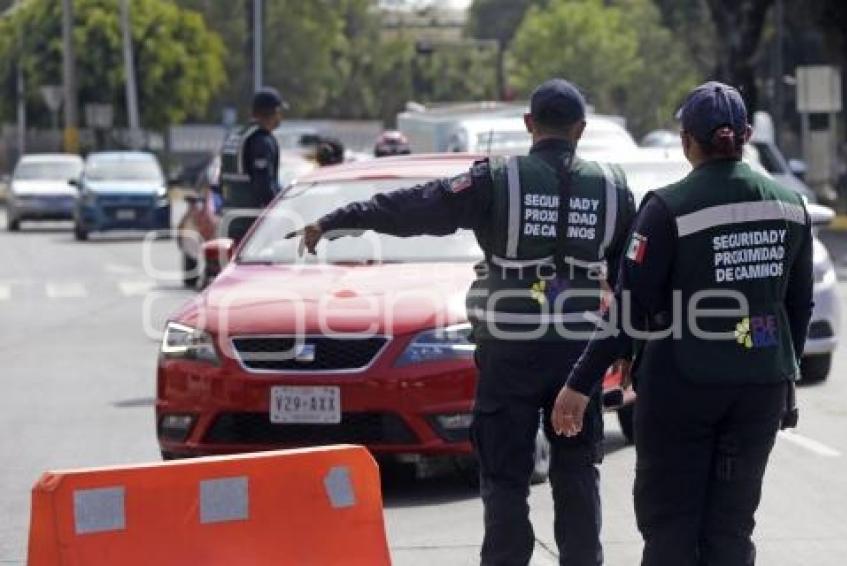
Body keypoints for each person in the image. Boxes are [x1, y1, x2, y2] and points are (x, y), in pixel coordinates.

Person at [288, 78, 636, 566]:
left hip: (510, 351)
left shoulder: (496, 178)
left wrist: (338, 219)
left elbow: (414, 208)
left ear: (528, 125)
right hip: (578, 358)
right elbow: (630, 279)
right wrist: (628, 349)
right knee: (577, 474)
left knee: (505, 480)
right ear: (580, 129)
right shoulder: (614, 188)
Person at [552, 81, 814, 566]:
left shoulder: (668, 208)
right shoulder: (789, 205)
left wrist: (579, 382)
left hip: (682, 385)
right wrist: (785, 372)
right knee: (732, 527)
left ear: (687, 140)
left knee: (671, 523)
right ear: (747, 135)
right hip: (760, 385)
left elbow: (628, 307)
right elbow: (798, 306)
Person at [218, 86, 286, 241]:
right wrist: (280, 210)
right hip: (253, 224)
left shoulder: (236, 137)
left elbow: (222, 181)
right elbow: (264, 185)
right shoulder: (261, 140)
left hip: (230, 220)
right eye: (280, 112)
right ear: (274, 112)